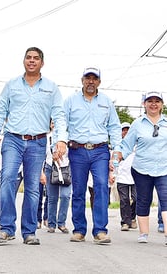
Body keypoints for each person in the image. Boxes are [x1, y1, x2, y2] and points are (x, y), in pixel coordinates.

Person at [0, 47, 67, 245]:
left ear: (42, 63)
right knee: (7, 180)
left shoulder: (51, 87)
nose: (32, 61)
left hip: (38, 141)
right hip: (13, 139)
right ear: (23, 61)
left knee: (33, 187)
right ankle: (7, 229)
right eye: (28, 58)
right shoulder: (11, 85)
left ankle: (29, 232)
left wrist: (61, 139)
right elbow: (0, 111)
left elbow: (59, 115)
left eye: (36, 58)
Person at [120, 91, 167, 246]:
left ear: (162, 105)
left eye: (157, 101)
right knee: (143, 199)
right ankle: (143, 233)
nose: (154, 104)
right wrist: (117, 158)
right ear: (145, 104)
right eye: (150, 101)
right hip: (142, 168)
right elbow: (127, 145)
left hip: (166, 168)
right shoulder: (137, 123)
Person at [64, 67, 121, 245]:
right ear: (82, 80)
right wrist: (58, 144)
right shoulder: (71, 101)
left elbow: (114, 127)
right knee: (79, 190)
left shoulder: (106, 102)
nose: (90, 81)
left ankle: (100, 231)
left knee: (102, 186)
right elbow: (62, 123)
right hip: (77, 150)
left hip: (100, 151)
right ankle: (79, 230)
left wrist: (117, 150)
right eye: (87, 78)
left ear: (99, 82)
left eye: (94, 79)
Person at [43, 120, 71, 234]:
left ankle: (62, 223)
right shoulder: (47, 138)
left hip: (66, 168)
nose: (55, 125)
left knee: (65, 196)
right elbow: (43, 156)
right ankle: (51, 224)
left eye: (57, 122)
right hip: (51, 168)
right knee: (52, 198)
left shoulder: (68, 137)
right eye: (52, 122)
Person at [115, 122, 137, 231]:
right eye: (124, 130)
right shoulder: (118, 145)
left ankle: (132, 217)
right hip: (122, 177)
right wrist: (113, 173)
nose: (126, 132)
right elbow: (114, 161)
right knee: (124, 200)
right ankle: (125, 222)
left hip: (136, 176)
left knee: (137, 198)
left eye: (128, 130)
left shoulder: (137, 144)